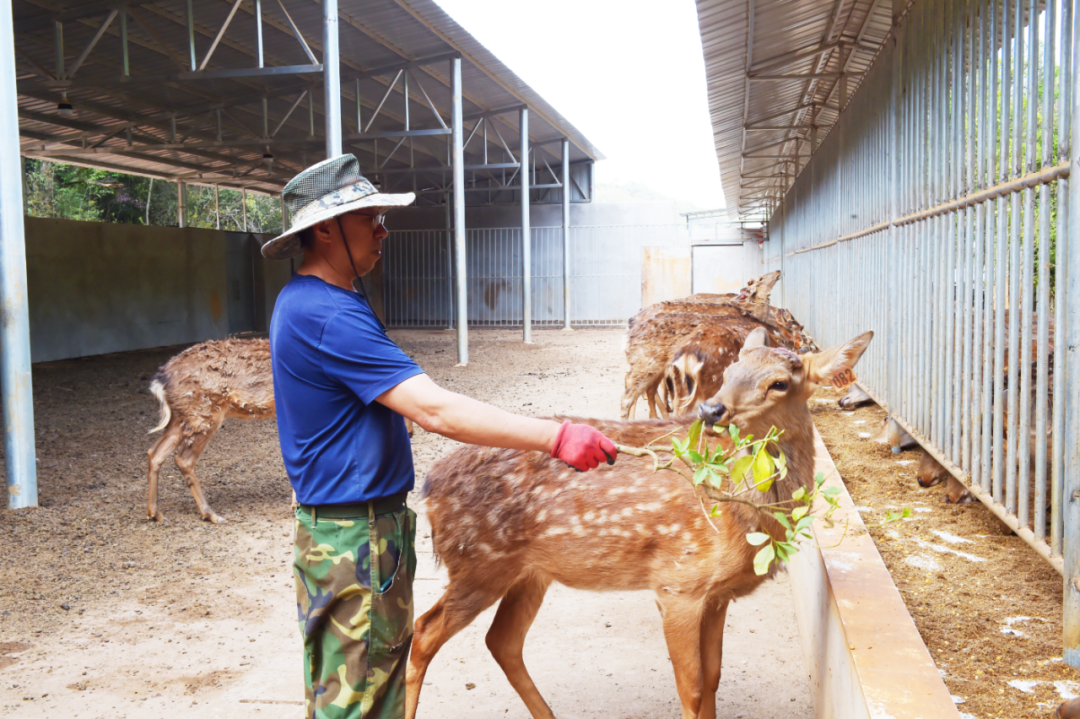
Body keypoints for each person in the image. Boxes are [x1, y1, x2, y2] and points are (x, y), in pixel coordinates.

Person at [261, 154, 617, 719]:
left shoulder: (307, 302)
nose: (383, 230)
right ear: (325, 230)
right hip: (356, 538)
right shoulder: (328, 314)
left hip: (352, 529)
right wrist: (555, 437)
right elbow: (433, 409)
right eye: (369, 219)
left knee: (353, 692)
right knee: (360, 704)